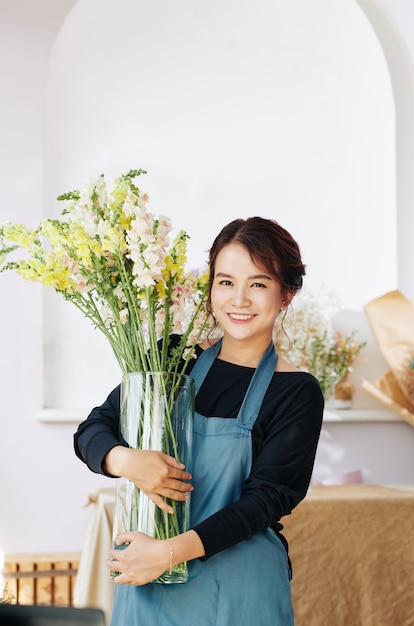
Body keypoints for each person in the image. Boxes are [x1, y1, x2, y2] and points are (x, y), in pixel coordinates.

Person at [74, 216, 324, 626]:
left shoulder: (296, 391)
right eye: (225, 282)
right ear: (211, 289)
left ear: (286, 294)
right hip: (148, 583)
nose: (239, 299)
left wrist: (167, 553)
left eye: (258, 284)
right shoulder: (173, 357)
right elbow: (92, 431)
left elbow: (265, 501)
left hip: (238, 588)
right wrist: (126, 461)